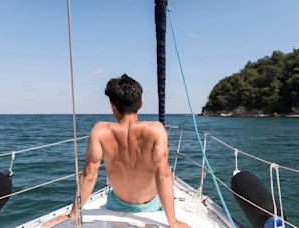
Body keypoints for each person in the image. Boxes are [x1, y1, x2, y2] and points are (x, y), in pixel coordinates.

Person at [42, 74, 189, 228]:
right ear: (141, 103)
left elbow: (89, 176)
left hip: (116, 204)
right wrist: (173, 222)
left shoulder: (100, 131)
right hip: (150, 206)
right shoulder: (155, 130)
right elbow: (163, 176)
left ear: (112, 105)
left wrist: (73, 214)